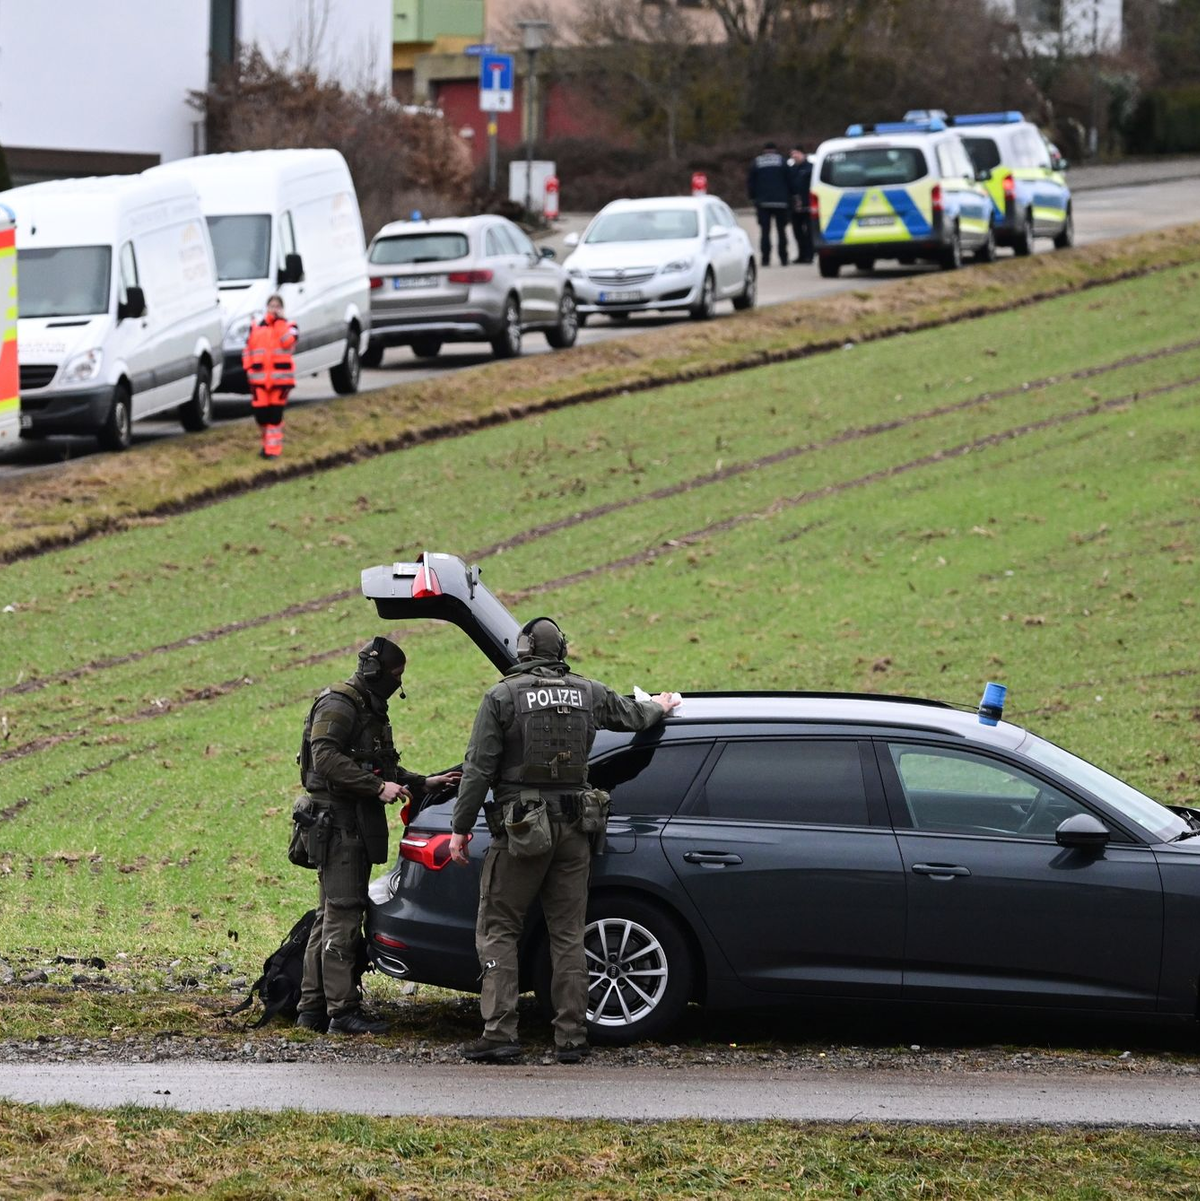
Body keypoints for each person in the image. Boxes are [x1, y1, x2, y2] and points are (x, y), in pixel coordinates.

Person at [448, 617, 680, 1064]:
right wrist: (661, 706)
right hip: (576, 829)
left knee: (499, 929)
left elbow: (478, 768)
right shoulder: (588, 691)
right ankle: (571, 1037)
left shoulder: (502, 696)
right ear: (561, 649)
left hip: (521, 832)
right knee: (569, 934)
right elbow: (633, 716)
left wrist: (460, 828)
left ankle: (500, 1034)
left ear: (523, 650)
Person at [295, 637, 460, 1034]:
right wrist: (376, 789)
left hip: (350, 821)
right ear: (375, 671)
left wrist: (423, 782)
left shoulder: (368, 706)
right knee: (344, 915)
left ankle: (312, 1009)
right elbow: (327, 758)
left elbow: (378, 766)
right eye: (395, 674)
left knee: (329, 915)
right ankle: (341, 1012)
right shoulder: (340, 704)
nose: (397, 682)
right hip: (338, 825)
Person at [242, 293, 296, 459]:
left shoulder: (290, 326)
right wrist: (249, 369)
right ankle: (266, 444)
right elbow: (248, 349)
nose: (274, 309)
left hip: (280, 381)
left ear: (282, 309)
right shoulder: (257, 327)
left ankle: (273, 450)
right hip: (259, 381)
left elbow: (288, 342)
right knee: (261, 415)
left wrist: (279, 322)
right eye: (271, 306)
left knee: (274, 416)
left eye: (277, 306)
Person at [747, 140, 794, 267]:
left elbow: (751, 183)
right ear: (775, 149)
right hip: (781, 202)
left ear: (764, 150)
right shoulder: (782, 162)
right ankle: (783, 258)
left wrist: (753, 198)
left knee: (765, 232)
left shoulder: (756, 163)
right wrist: (791, 199)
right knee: (781, 231)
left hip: (763, 203)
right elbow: (790, 181)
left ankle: (765, 259)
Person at [787, 145, 814, 265]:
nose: (794, 156)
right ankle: (801, 255)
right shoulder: (791, 169)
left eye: (796, 153)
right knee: (797, 232)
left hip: (808, 206)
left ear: (802, 154)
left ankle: (810, 255)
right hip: (795, 207)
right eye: (792, 154)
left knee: (808, 232)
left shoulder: (810, 168)